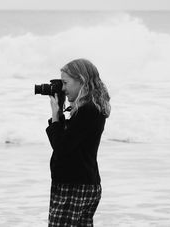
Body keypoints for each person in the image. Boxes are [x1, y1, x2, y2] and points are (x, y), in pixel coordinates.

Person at [46, 58, 111, 227]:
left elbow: (62, 147)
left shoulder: (87, 110)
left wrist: (55, 116)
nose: (63, 88)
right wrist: (60, 114)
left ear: (81, 80)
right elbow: (70, 142)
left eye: (66, 83)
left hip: (74, 186)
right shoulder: (91, 108)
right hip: (83, 184)